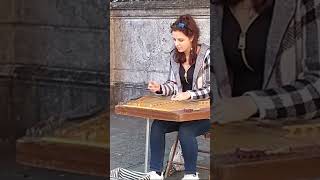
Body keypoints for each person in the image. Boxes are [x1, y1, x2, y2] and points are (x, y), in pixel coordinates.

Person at [211, 0, 320, 123]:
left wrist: (253, 103)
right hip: (228, 128)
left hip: (288, 131)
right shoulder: (213, 7)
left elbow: (317, 84)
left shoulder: (305, 4)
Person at [146, 14, 210, 180]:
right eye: (174, 39)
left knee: (186, 131)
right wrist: (160, 88)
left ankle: (191, 175)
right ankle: (155, 173)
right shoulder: (175, 56)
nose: (176, 44)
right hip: (182, 111)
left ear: (192, 37)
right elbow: (173, 85)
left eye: (180, 40)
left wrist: (189, 94)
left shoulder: (207, 55)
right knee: (157, 125)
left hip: (206, 112)